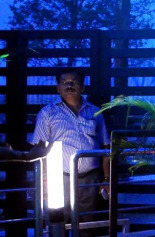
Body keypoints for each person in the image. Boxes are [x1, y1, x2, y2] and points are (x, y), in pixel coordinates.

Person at [30, 67, 110, 220]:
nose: (69, 86)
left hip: (90, 179)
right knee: (59, 224)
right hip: (59, 179)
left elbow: (106, 147)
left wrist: (106, 179)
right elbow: (38, 149)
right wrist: (44, 180)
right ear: (58, 87)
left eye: (74, 82)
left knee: (89, 222)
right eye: (65, 82)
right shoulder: (47, 113)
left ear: (82, 87)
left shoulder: (95, 112)